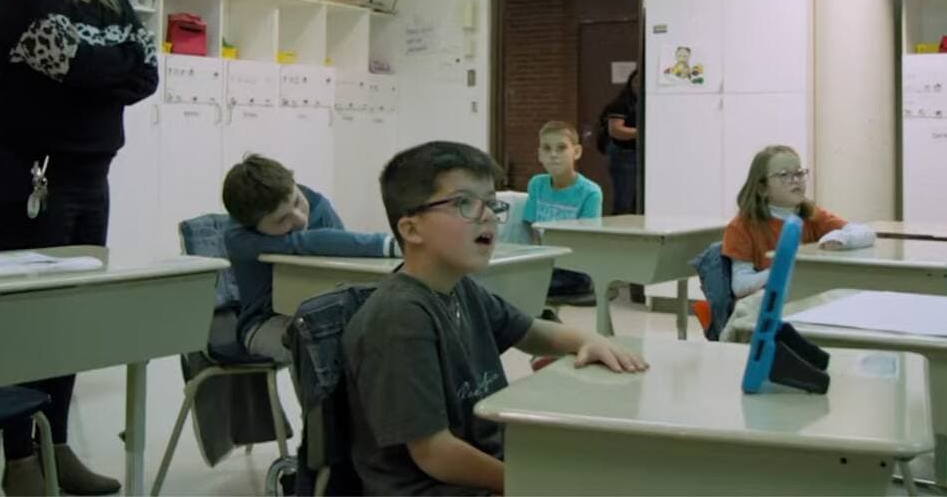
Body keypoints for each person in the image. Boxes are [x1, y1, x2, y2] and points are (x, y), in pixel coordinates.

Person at [0, 0, 158, 495]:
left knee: (71, 319)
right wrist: (106, 70)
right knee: (30, 321)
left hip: (91, 174)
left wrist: (97, 71)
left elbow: (148, 73)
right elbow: (77, 66)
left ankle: (55, 448)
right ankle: (20, 459)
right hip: (30, 176)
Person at [344, 141, 647, 495]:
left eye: (490, 202)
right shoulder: (400, 318)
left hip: (484, 459)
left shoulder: (460, 289)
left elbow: (531, 331)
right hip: (432, 485)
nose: (486, 214)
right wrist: (530, 482)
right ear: (411, 230)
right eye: (464, 203)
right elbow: (435, 454)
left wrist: (588, 340)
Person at [222, 154, 398, 364]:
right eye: (282, 220)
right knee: (317, 351)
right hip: (264, 322)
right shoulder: (239, 237)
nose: (300, 219)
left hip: (325, 315)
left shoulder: (317, 204)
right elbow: (303, 243)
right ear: (253, 227)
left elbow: (346, 263)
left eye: (297, 202)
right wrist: (390, 244)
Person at [723, 145, 875, 298]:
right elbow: (740, 285)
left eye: (799, 173)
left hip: (804, 296)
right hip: (766, 307)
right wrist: (784, 270)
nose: (795, 180)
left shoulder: (812, 215)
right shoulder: (741, 226)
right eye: (784, 175)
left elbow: (866, 233)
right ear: (762, 188)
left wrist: (842, 238)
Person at [523, 120, 601, 305]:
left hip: (575, 269)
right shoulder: (537, 184)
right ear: (539, 154)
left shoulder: (590, 192)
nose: (553, 155)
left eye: (561, 148)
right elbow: (530, 228)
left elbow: (586, 241)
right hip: (544, 262)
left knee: (527, 285)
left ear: (577, 152)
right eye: (547, 148)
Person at [604, 69, 639, 215]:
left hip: (640, 154)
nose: (639, 86)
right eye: (636, 81)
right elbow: (616, 130)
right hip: (624, 154)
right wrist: (642, 133)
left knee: (638, 200)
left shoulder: (647, 103)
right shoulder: (622, 103)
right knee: (624, 200)